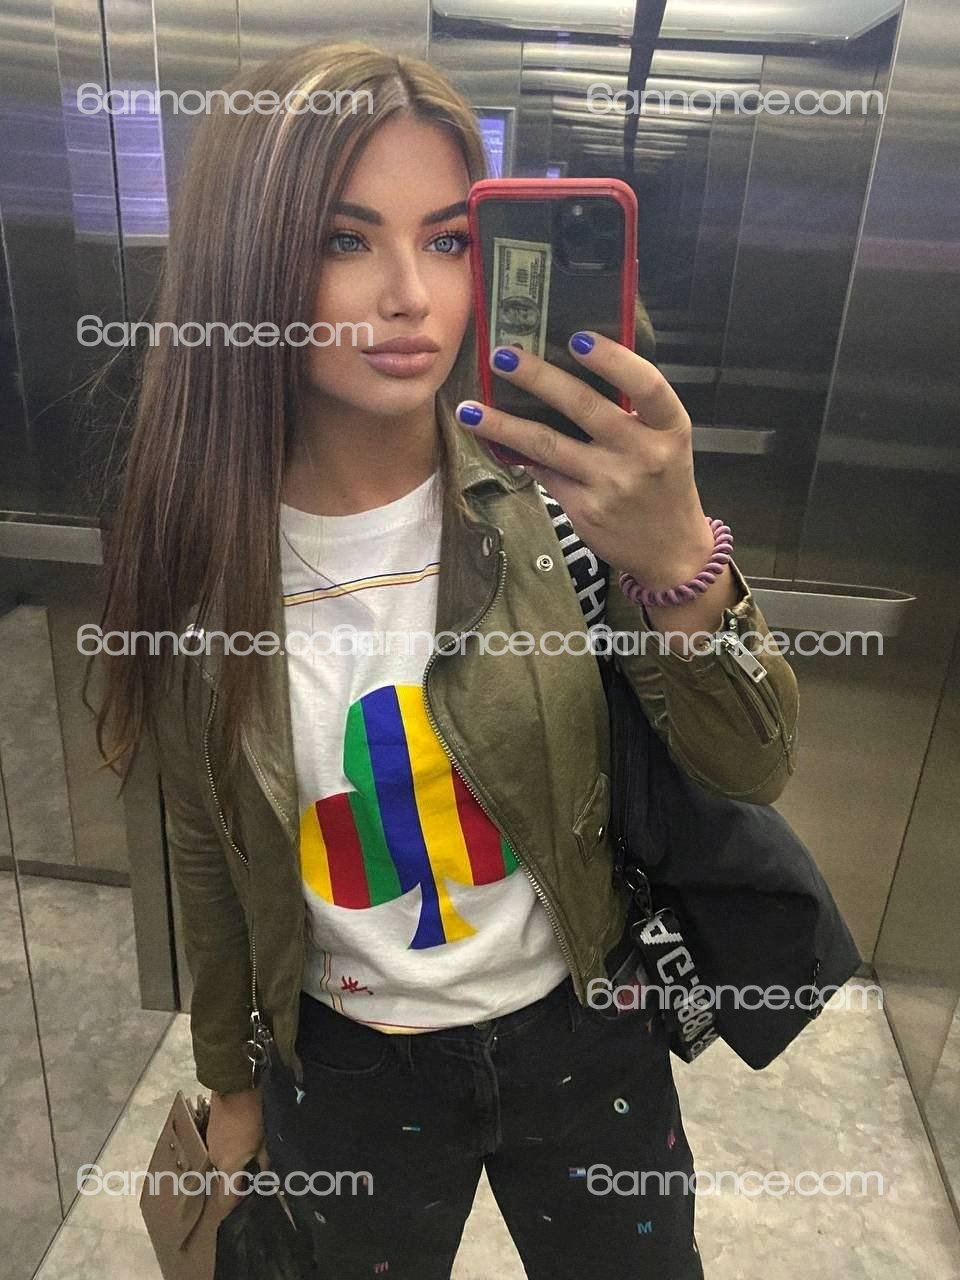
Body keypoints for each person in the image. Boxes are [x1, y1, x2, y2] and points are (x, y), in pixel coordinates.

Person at [89, 39, 799, 1279]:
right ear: (248, 261)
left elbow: (755, 764)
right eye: (346, 238)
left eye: (451, 239)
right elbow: (208, 849)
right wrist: (231, 1085)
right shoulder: (202, 555)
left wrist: (682, 558)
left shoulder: (557, 504)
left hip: (581, 1032)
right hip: (347, 1065)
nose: (411, 294)